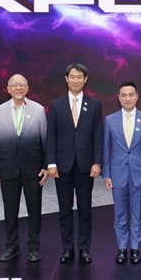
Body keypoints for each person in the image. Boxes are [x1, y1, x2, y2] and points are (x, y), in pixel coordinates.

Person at [45, 63, 104, 265]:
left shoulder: (94, 104)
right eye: (72, 76)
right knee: (65, 208)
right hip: (62, 165)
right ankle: (67, 248)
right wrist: (51, 163)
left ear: (85, 79)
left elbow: (98, 135)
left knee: (85, 208)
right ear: (66, 79)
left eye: (80, 77)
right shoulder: (56, 105)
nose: (76, 80)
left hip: (86, 165)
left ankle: (84, 248)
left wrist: (97, 162)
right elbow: (50, 136)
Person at [0, 74, 48, 262]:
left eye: (21, 84)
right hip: (8, 168)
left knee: (34, 210)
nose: (18, 88)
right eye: (14, 85)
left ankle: (34, 248)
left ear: (27, 88)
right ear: (8, 89)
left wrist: (46, 166)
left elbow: (45, 139)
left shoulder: (38, 110)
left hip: (33, 169)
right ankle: (12, 247)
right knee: (10, 211)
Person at [102, 82, 141, 264]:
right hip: (117, 174)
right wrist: (106, 174)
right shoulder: (110, 120)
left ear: (137, 96)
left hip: (139, 174)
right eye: (124, 95)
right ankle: (121, 248)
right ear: (119, 97)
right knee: (119, 214)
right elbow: (106, 149)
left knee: (137, 213)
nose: (127, 98)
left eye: (131, 94)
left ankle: (135, 248)